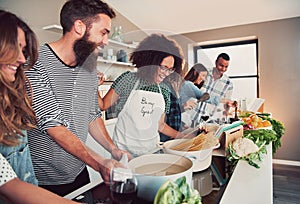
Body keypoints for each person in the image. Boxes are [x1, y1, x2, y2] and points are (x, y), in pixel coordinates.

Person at [25, 0, 128, 196]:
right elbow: (53, 124)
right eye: (103, 32)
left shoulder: (88, 68)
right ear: (79, 27)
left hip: (80, 171)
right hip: (44, 180)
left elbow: (92, 115)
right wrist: (100, 163)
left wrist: (113, 150)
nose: (106, 41)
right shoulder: (35, 63)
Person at [0, 9, 79, 203]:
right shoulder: (39, 69)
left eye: (23, 49)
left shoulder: (9, 103)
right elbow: (9, 184)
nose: (21, 58)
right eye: (15, 47)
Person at [98, 33, 186, 157]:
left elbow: (160, 125)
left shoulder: (164, 90)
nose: (166, 73)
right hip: (123, 152)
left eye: (170, 69)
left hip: (151, 151)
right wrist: (95, 86)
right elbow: (103, 105)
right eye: (163, 67)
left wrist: (183, 136)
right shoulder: (128, 80)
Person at [198, 53, 235, 121]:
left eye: (226, 67)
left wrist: (229, 106)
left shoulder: (228, 84)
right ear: (215, 62)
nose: (223, 69)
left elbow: (225, 105)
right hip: (191, 117)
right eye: (221, 65)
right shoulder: (204, 73)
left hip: (208, 121)